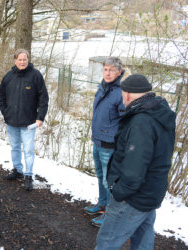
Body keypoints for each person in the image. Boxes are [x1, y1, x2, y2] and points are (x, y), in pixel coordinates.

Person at [95, 74, 176, 249]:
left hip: (133, 198)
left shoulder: (141, 122)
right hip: (151, 192)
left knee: (106, 241)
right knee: (142, 240)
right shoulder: (159, 112)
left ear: (127, 95)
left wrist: (119, 191)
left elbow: (134, 167)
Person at [0, 49, 49, 191]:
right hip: (11, 121)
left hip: (29, 123)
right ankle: (17, 170)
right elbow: (0, 96)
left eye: (24, 59)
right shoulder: (8, 76)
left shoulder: (35, 76)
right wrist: (5, 113)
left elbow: (43, 98)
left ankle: (28, 175)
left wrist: (40, 118)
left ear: (28, 60)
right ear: (15, 60)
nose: (22, 62)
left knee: (28, 150)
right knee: (14, 147)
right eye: (19, 59)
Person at [84, 57, 126, 227]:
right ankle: (102, 204)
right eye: (105, 69)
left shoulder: (121, 92)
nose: (107, 73)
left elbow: (124, 121)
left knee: (109, 181)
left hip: (110, 145)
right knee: (100, 176)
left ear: (119, 72)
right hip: (98, 140)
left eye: (111, 70)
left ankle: (110, 214)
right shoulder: (103, 87)